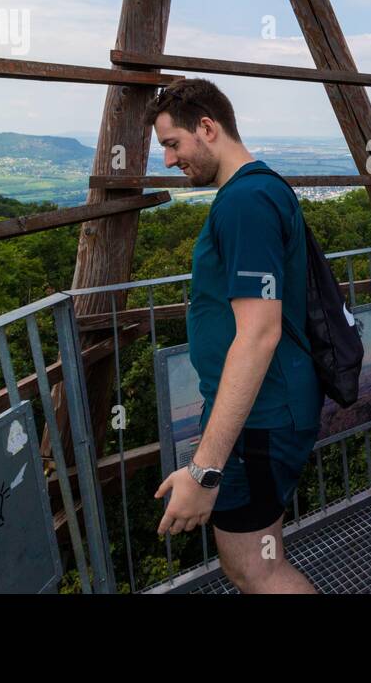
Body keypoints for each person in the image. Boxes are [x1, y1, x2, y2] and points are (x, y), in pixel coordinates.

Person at [147, 78, 323, 593]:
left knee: (255, 567)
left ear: (208, 127)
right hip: (265, 412)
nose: (168, 161)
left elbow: (258, 335)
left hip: (262, 418)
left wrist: (204, 471)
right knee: (253, 562)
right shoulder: (259, 189)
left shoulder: (244, 202)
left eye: (172, 143)